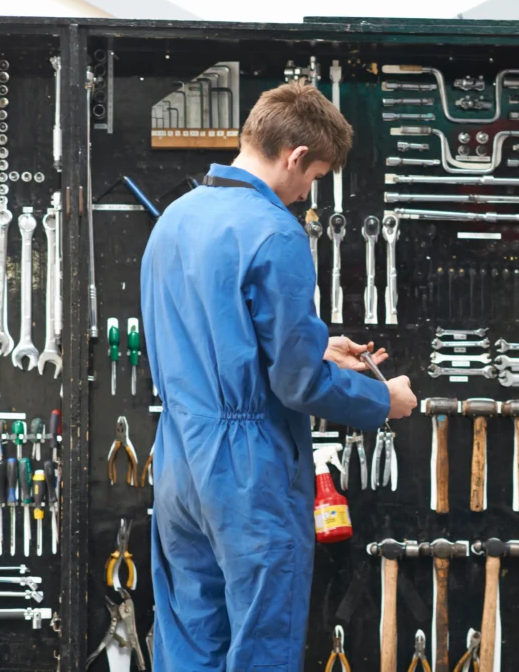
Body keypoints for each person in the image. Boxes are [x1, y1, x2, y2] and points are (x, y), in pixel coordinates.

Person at [140, 80, 418, 671]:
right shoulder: (275, 232)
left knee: (189, 640)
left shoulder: (174, 219)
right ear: (296, 157)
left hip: (178, 459)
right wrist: (381, 400)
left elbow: (217, 339)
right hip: (247, 472)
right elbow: (298, 385)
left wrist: (318, 347)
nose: (306, 192)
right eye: (314, 176)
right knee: (261, 645)